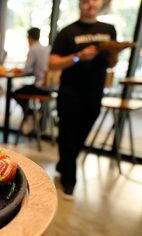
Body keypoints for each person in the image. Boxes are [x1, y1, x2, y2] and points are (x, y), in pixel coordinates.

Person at [49, 0, 122, 199]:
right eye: (87, 0)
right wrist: (78, 57)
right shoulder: (67, 32)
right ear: (81, 3)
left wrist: (114, 55)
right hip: (70, 93)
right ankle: (69, 180)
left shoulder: (109, 30)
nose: (91, 3)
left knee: (80, 136)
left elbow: (111, 63)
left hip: (95, 93)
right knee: (68, 135)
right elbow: (52, 64)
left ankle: (64, 164)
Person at [12, 27, 50, 135]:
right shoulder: (46, 48)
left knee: (15, 93)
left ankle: (30, 113)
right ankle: (32, 114)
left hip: (40, 87)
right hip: (49, 87)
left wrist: (18, 71)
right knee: (26, 88)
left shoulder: (34, 49)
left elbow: (26, 70)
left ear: (29, 38)